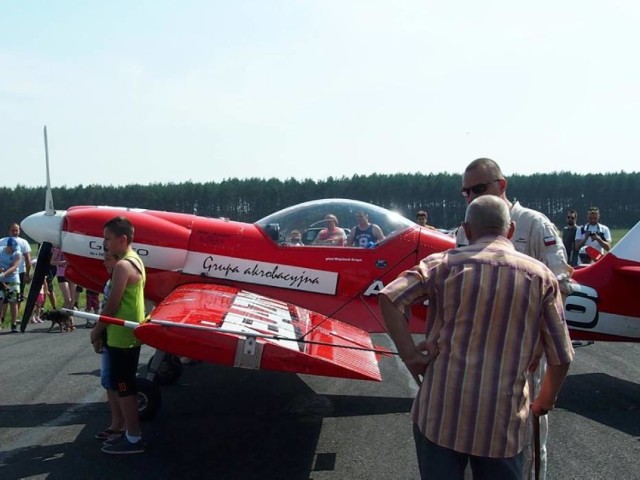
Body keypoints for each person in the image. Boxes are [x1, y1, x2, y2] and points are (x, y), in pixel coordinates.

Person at [380, 195, 574, 480]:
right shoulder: (541, 277)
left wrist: (410, 355)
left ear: (466, 231)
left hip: (440, 415)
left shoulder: (441, 265)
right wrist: (544, 399)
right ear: (510, 231)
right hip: (502, 425)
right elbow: (561, 355)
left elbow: (389, 297)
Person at [455, 157, 573, 479]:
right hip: (479, 353)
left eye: (478, 188)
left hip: (525, 351)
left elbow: (560, 286)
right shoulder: (465, 230)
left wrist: (540, 342)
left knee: (527, 435)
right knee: (473, 432)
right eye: (465, 192)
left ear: (502, 185)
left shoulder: (534, 223)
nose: (471, 197)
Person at [90, 216, 146, 454]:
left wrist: (96, 330)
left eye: (108, 239)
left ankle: (133, 438)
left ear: (122, 239)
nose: (105, 244)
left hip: (123, 337)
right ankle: (127, 431)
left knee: (125, 388)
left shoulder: (123, 266)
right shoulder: (136, 261)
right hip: (124, 335)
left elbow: (111, 306)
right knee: (123, 386)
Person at [93, 251, 125, 444]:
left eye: (107, 259)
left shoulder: (118, 280)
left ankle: (120, 426)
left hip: (116, 336)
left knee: (114, 381)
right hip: (108, 335)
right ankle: (116, 422)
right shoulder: (109, 281)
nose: (103, 262)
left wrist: (96, 332)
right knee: (108, 381)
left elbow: (111, 308)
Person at [0, 223, 33, 304]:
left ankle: (15, 316)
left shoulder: (24, 242)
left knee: (17, 298)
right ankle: (2, 316)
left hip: (19, 273)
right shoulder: (1, 241)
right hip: (2, 273)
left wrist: (27, 274)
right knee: (2, 298)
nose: (15, 232)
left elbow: (28, 259)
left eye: (17, 230)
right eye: (13, 230)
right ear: (8, 231)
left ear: (19, 231)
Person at [0, 237, 23, 332]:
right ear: (8, 246)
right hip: (1, 279)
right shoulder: (0, 251)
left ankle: (13, 324)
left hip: (13, 278)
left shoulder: (17, 253)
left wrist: (3, 274)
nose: (14, 250)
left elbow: (14, 266)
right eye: (12, 248)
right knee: (1, 301)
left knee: (13, 301)